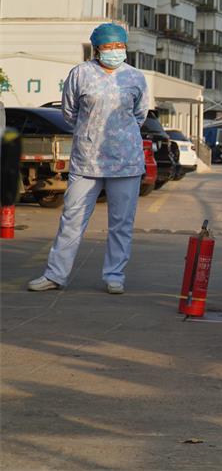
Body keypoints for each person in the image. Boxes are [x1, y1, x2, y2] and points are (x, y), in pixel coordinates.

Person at [28, 23, 149, 294]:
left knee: (121, 222)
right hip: (87, 161)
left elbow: (140, 115)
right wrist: (90, 132)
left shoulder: (135, 77)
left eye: (120, 46)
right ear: (96, 50)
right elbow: (69, 112)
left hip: (125, 161)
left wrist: (119, 135)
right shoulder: (80, 74)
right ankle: (55, 275)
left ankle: (115, 275)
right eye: (109, 47)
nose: (115, 51)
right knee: (71, 218)